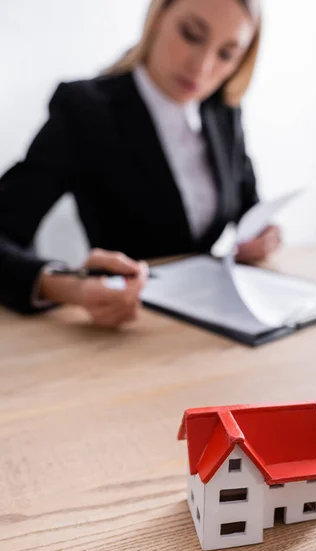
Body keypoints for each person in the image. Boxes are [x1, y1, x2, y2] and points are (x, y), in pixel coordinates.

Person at [0, 0, 281, 328]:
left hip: (214, 321)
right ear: (157, 16)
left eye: (226, 54)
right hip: (128, 326)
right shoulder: (86, 110)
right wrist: (66, 286)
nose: (202, 67)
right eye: (191, 34)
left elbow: (248, 205)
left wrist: (263, 234)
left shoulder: (223, 113)